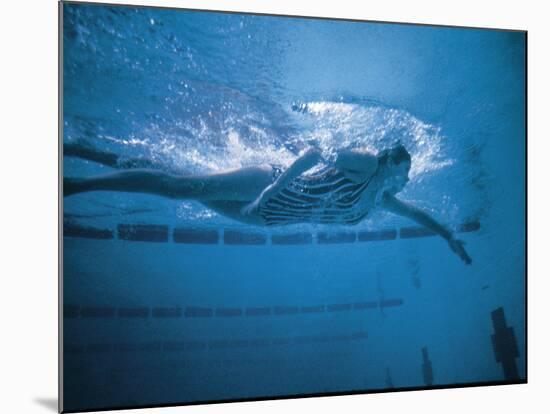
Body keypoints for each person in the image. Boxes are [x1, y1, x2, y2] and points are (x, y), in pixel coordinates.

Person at [63, 141, 472, 264]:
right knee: (176, 187)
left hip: (266, 219)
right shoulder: (365, 165)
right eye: (404, 172)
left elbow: (418, 213)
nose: (407, 180)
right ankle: (76, 184)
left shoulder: (379, 198)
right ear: (389, 164)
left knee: (176, 181)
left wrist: (448, 234)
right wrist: (270, 191)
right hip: (269, 186)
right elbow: (315, 153)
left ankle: (99, 157)